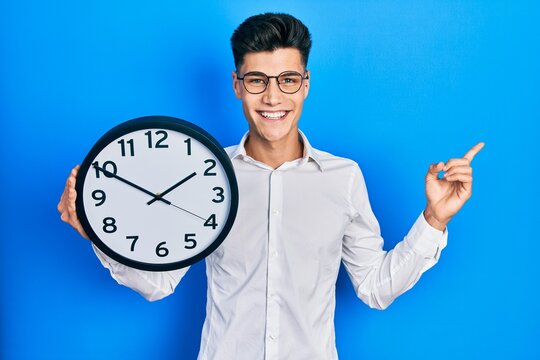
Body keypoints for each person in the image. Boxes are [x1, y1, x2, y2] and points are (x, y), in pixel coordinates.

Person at [58, 12, 484, 360]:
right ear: (237, 85)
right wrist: (96, 230)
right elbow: (157, 284)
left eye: (288, 80)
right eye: (257, 80)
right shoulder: (201, 175)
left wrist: (433, 219)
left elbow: (374, 289)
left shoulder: (343, 177)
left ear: (305, 84)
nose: (273, 97)